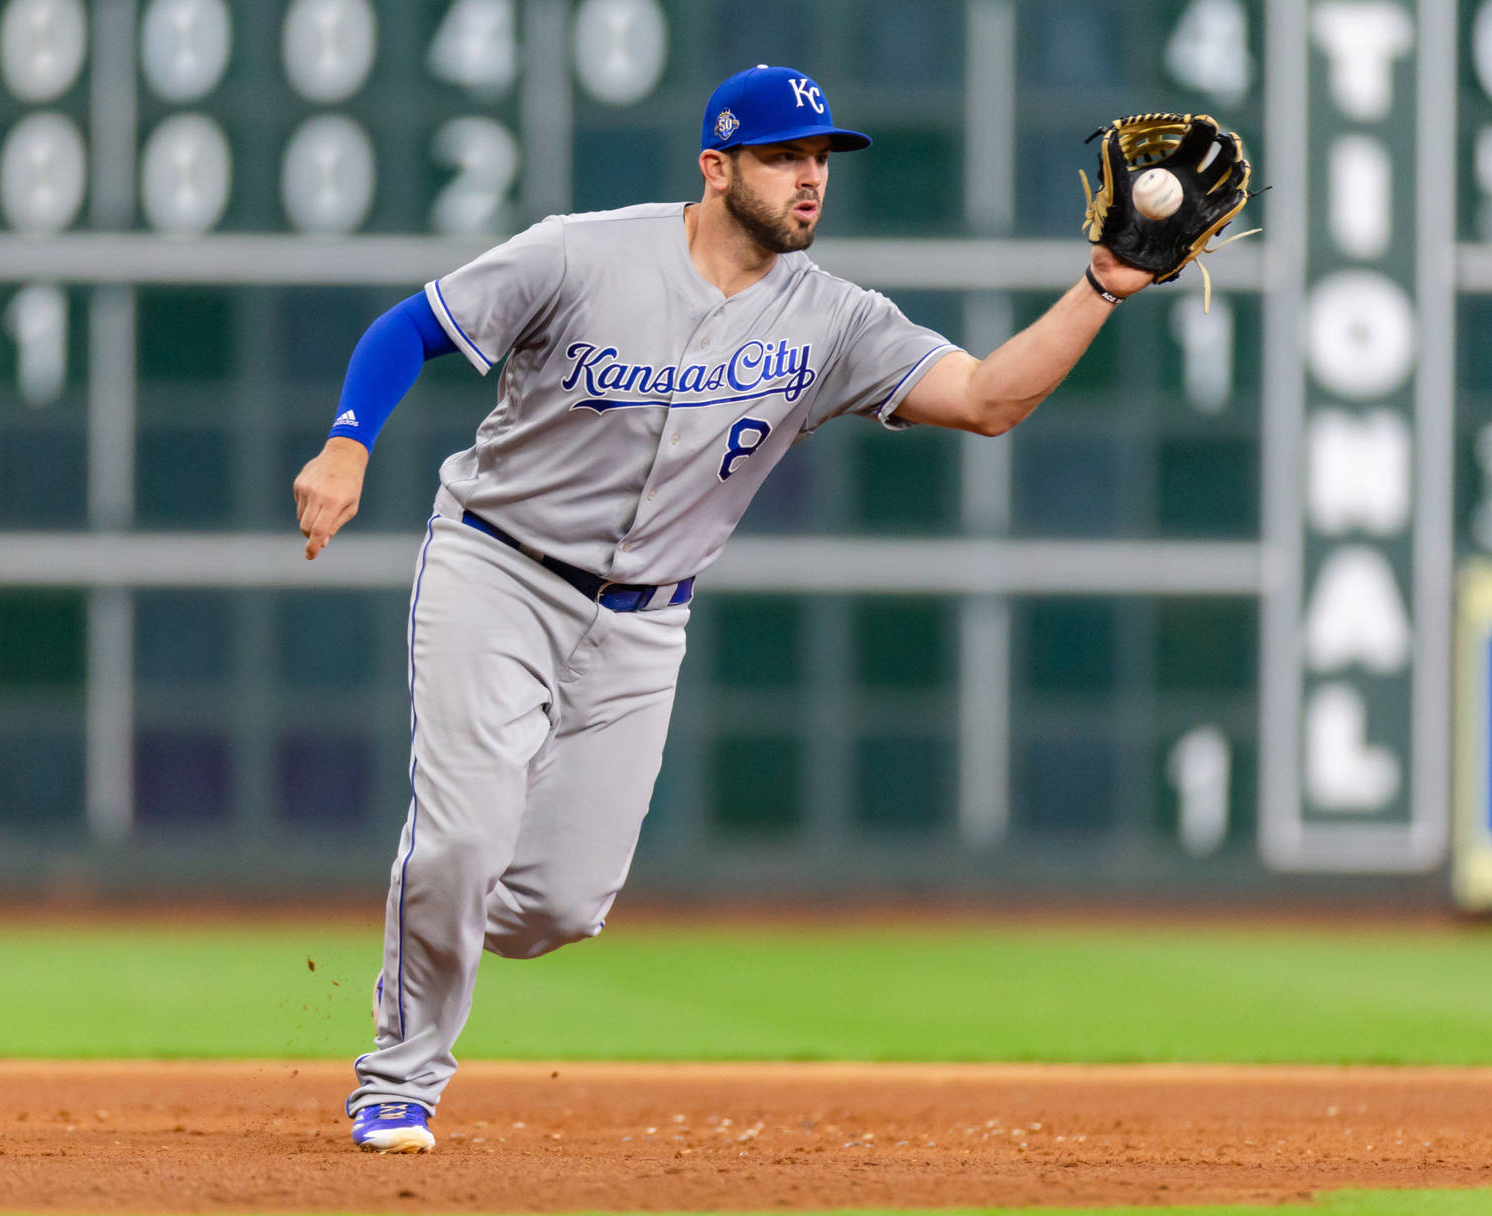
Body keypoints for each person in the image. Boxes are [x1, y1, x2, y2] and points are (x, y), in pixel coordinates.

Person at [293, 64, 1154, 1154]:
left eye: (820, 159)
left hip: (644, 620)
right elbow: (408, 328)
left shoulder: (835, 319)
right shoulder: (582, 252)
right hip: (497, 571)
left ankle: (437, 905)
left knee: (558, 906)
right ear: (716, 167)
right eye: (784, 156)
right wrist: (347, 440)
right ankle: (399, 1078)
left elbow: (987, 400)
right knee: (461, 839)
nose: (809, 179)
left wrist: (1103, 288)